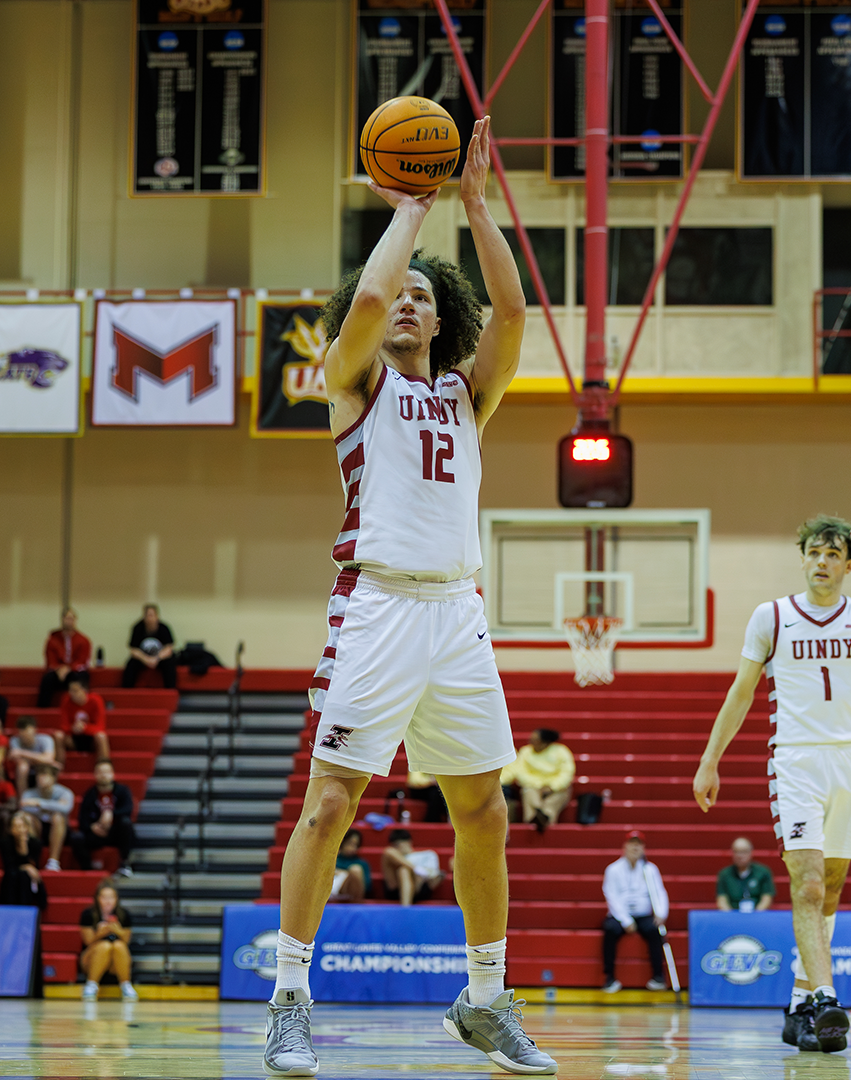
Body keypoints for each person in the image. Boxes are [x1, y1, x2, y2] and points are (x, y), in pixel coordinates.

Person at [266, 117, 550, 1078]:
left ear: (442, 322)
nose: (406, 303)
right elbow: (377, 286)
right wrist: (410, 209)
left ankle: (482, 1000)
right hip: (378, 607)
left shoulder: (470, 397)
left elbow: (513, 318)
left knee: (485, 812)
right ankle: (291, 1003)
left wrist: (474, 207)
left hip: (458, 613)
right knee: (331, 801)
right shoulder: (352, 388)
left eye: (426, 299)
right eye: (397, 297)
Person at [692, 515, 851, 1055]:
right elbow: (741, 694)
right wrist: (711, 761)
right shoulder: (771, 616)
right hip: (795, 761)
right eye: (813, 552)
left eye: (832, 554)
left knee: (832, 891)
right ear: (803, 558)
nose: (821, 562)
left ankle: (799, 1004)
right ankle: (825, 996)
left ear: (847, 564)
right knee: (809, 885)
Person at [600, 832, 668, 993]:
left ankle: (658, 976)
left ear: (643, 848)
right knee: (610, 930)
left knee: (654, 930)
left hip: (643, 914)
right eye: (632, 843)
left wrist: (661, 913)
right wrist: (625, 920)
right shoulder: (613, 869)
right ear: (624, 847)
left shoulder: (650, 869)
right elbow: (611, 896)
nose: (635, 847)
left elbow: (659, 892)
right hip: (620, 915)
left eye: (639, 844)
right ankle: (609, 978)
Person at [500, 729, 574, 833]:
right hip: (532, 785)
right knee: (529, 792)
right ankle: (536, 817)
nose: (531, 742)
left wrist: (552, 787)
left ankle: (544, 816)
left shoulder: (561, 751)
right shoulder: (526, 752)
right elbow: (520, 772)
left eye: (535, 740)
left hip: (555, 787)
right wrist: (538, 786)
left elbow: (566, 773)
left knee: (557, 796)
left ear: (545, 742)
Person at [71, 760, 136, 875]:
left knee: (126, 823)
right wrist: (92, 827)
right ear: (95, 775)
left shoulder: (122, 790)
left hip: (116, 832)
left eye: (106, 772)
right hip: (96, 833)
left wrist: (111, 814)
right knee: (76, 837)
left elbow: (128, 810)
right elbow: (82, 819)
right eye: (100, 772)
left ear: (113, 774)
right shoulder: (90, 794)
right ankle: (87, 869)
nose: (103, 775)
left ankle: (125, 863)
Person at [79, 881, 137, 1002]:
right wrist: (100, 934)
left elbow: (127, 941)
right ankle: (91, 985)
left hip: (115, 964)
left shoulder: (124, 915)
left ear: (116, 899)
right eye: (104, 897)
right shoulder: (88, 914)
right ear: (97, 899)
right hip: (91, 959)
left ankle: (126, 985)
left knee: (119, 946)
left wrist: (118, 931)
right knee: (104, 946)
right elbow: (87, 942)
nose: (108, 901)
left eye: (111, 897)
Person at [20, 764, 75, 871]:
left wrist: (39, 804)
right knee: (26, 818)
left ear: (53, 778)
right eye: (39, 775)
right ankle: (32, 859)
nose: (41, 778)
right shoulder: (29, 793)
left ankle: (53, 862)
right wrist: (53, 806)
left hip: (59, 830)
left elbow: (66, 808)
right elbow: (24, 807)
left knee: (58, 817)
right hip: (38, 829)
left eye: (45, 775)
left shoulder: (64, 792)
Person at [39, 607, 93, 706]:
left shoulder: (83, 640)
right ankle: (43, 709)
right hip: (58, 672)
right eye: (66, 618)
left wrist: (68, 668)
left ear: (75, 620)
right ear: (62, 619)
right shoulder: (53, 639)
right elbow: (50, 659)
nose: (69, 621)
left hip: (74, 672)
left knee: (81, 678)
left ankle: (81, 707)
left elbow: (82, 660)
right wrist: (59, 669)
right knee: (47, 679)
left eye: (71, 618)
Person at [0, 811, 47, 911]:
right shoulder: (6, 842)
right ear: (10, 829)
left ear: (27, 827)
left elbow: (33, 864)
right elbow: (9, 865)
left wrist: (24, 846)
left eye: (21, 826)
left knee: (25, 876)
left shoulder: (35, 843)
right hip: (11, 876)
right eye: (16, 826)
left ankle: (26, 909)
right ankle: (11, 910)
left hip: (27, 879)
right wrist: (25, 866)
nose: (19, 829)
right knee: (14, 875)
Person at [379, 829, 444, 906]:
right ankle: (405, 907)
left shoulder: (424, 856)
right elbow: (389, 852)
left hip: (418, 889)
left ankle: (406, 907)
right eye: (396, 845)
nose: (400, 848)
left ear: (409, 843)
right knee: (403, 870)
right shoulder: (390, 853)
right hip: (395, 890)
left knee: (405, 870)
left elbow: (434, 875)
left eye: (401, 844)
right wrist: (417, 869)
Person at [60, 674, 112, 765]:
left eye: (75, 691)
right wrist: (73, 728)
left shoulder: (96, 700)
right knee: (58, 736)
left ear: (84, 691)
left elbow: (101, 726)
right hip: (74, 737)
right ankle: (58, 768)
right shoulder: (66, 700)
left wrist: (84, 728)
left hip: (91, 738)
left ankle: (104, 767)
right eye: (70, 690)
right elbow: (63, 726)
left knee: (101, 737)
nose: (71, 694)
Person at [122, 604, 177, 688]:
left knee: (170, 663)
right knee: (131, 665)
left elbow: (169, 649)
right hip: (143, 658)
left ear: (157, 616)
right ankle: (127, 691)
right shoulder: (137, 628)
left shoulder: (164, 628)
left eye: (152, 615)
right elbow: (133, 650)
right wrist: (146, 659)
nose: (150, 618)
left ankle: (170, 691)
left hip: (159, 658)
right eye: (148, 615)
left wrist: (157, 658)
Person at [715, 838, 776, 913]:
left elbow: (767, 898)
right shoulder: (725, 874)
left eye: (744, 852)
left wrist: (756, 916)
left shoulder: (763, 872)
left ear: (751, 852)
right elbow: (722, 899)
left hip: (756, 914)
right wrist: (731, 917)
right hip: (733, 915)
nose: (740, 856)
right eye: (737, 852)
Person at [6, 715, 61, 795]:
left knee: (50, 768)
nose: (25, 735)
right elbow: (17, 760)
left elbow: (49, 759)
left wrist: (21, 752)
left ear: (34, 730)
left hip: (42, 767)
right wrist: (40, 759)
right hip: (25, 770)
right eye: (22, 731)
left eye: (27, 731)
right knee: (22, 767)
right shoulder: (14, 740)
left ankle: (46, 798)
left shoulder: (46, 739)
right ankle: (23, 799)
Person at [331, 830, 372, 902]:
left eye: (355, 845)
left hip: (351, 892)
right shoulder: (332, 860)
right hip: (331, 889)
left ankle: (356, 906)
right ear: (343, 843)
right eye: (349, 843)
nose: (352, 848)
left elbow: (367, 886)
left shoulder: (362, 863)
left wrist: (345, 873)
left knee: (355, 870)